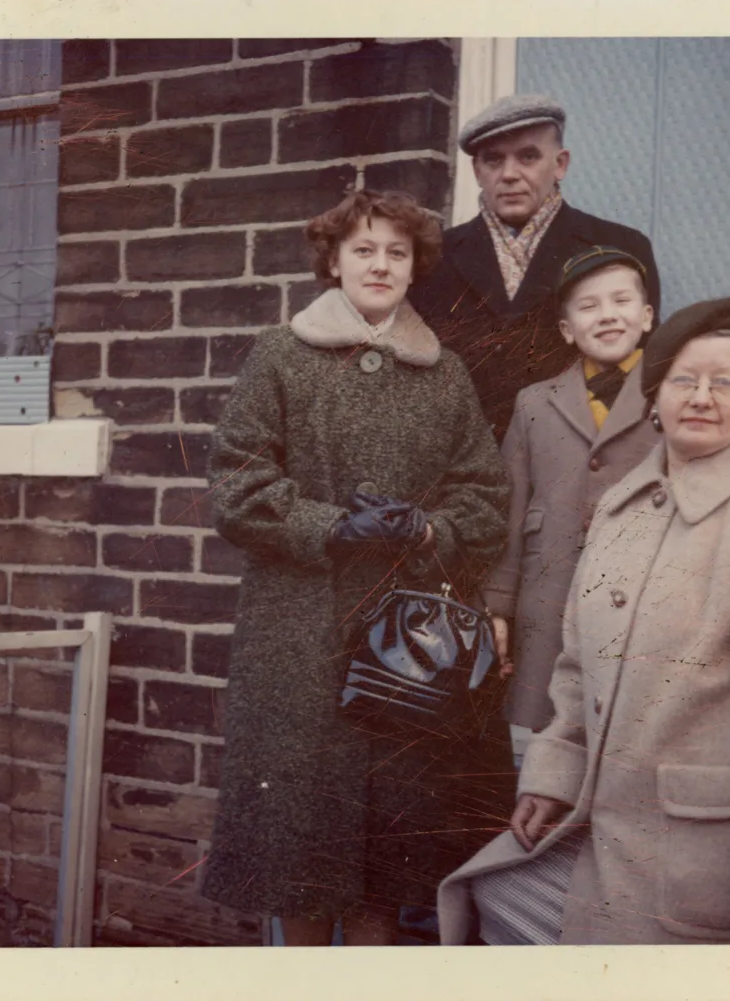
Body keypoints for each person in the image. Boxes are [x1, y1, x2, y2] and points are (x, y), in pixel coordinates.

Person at [438, 297, 730, 946]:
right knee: (490, 900)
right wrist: (554, 777)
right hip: (597, 829)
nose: (701, 396)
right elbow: (575, 663)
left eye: (725, 381)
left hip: (698, 856)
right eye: (682, 379)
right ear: (653, 397)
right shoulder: (621, 509)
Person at [199, 188, 513, 946]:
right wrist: (332, 526)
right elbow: (236, 485)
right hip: (298, 634)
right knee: (302, 850)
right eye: (363, 249)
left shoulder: (445, 376)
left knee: (385, 857)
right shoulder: (280, 356)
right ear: (332, 260)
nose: (380, 264)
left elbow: (485, 497)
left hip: (405, 650)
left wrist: (429, 527)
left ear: (416, 268)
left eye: (397, 252)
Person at [409, 93, 661, 440]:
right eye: (494, 160)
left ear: (560, 164)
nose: (510, 174)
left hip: (575, 455)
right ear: (476, 171)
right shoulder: (435, 255)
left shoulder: (619, 246)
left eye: (528, 156)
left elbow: (642, 370)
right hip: (465, 464)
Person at [485, 245, 660, 734]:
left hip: (642, 611)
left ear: (646, 316)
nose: (607, 316)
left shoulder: (675, 396)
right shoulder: (534, 403)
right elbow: (511, 516)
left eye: (621, 301)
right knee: (543, 748)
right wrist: (497, 610)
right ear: (566, 330)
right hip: (548, 613)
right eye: (588, 306)